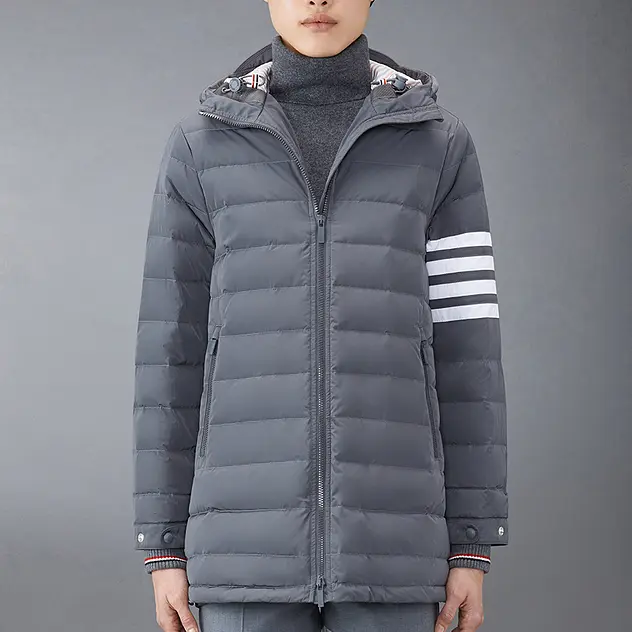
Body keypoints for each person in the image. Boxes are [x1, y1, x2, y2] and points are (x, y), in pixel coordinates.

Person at [132, 1, 508, 631]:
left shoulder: (439, 145)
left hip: (393, 550)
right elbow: (169, 357)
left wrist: (471, 543)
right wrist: (164, 545)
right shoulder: (200, 146)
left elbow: (469, 349)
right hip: (242, 550)